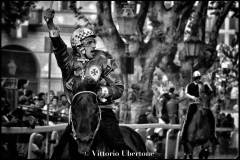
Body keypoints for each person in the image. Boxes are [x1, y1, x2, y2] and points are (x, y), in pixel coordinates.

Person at [44, 8, 132, 153]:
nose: (94, 45)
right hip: (78, 116)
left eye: (94, 42)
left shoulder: (104, 60)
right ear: (79, 47)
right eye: (89, 42)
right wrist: (50, 24)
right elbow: (59, 48)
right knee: (59, 152)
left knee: (119, 147)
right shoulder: (68, 62)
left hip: (103, 113)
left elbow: (119, 87)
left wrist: (102, 92)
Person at [181, 70, 218, 144]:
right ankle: (184, 136)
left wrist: (208, 85)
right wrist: (193, 97)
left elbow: (211, 93)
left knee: (211, 117)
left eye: (199, 77)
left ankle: (213, 135)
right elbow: (186, 94)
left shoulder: (203, 85)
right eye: (196, 78)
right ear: (194, 78)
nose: (198, 79)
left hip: (203, 105)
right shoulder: (190, 85)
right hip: (193, 104)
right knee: (188, 120)